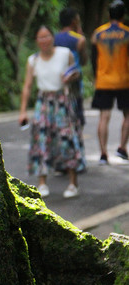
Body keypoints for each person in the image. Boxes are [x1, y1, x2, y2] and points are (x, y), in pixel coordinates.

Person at [18, 25, 84, 199]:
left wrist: (71, 77)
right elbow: (27, 86)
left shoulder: (65, 53)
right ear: (36, 41)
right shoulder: (33, 60)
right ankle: (42, 183)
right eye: (40, 37)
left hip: (62, 101)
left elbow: (76, 72)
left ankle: (73, 183)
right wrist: (23, 111)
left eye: (47, 36)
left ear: (52, 37)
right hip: (43, 102)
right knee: (41, 139)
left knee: (67, 139)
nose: (44, 40)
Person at [91, 0, 129, 164]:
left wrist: (96, 77)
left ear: (109, 15)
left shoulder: (98, 34)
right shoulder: (127, 33)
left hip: (104, 81)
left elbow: (94, 59)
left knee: (104, 117)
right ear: (123, 16)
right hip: (124, 81)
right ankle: (122, 147)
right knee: (128, 115)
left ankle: (103, 154)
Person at [55, 7, 88, 173]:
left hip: (57, 84)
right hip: (74, 84)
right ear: (74, 21)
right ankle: (78, 159)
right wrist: (80, 32)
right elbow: (84, 61)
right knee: (76, 121)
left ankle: (62, 160)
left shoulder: (53, 39)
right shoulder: (79, 39)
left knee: (60, 122)